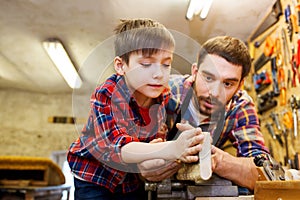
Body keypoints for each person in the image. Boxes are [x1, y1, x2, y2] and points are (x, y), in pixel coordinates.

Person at [67, 18, 205, 200]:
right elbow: (119, 147)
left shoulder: (164, 99)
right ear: (121, 66)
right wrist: (171, 148)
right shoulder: (107, 93)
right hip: (94, 177)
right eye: (146, 64)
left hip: (130, 181)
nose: (158, 73)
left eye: (166, 64)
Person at [139, 36, 270, 191]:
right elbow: (136, 155)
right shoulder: (165, 92)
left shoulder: (240, 106)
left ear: (240, 85)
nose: (214, 93)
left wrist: (217, 160)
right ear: (195, 71)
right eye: (208, 78)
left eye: (227, 84)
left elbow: (263, 172)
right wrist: (145, 162)